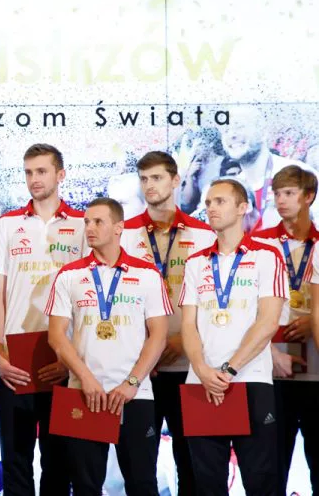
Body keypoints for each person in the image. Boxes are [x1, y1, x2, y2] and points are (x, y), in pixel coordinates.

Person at [46, 197, 170, 496]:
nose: (89, 228)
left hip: (134, 394)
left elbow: (158, 336)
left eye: (98, 222)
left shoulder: (147, 274)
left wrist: (132, 382)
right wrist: (86, 379)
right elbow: (56, 336)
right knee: (85, 486)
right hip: (84, 393)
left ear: (118, 228)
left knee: (142, 483)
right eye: (87, 222)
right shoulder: (69, 275)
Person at [0, 143, 84, 495]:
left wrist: (71, 359)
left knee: (59, 463)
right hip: (16, 358)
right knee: (15, 461)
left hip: (63, 357)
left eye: (42, 171)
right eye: (28, 172)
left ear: (61, 174)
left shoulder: (83, 224)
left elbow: (89, 302)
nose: (34, 179)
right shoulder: (7, 225)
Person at [179, 178, 287, 494]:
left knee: (261, 481)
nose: (211, 208)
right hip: (201, 383)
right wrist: (202, 369)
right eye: (208, 202)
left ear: (242, 207)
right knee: (207, 484)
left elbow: (267, 323)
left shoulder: (267, 255)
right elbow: (188, 325)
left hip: (249, 379)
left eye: (220, 201)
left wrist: (229, 370)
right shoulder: (195, 262)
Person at [121, 151, 216, 495]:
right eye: (144, 179)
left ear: (176, 181)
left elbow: (214, 298)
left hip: (189, 365)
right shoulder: (124, 233)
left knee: (192, 464)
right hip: (140, 369)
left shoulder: (204, 234)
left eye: (157, 178)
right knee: (138, 467)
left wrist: (181, 341)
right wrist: (148, 346)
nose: (149, 185)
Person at [252, 165, 319, 492]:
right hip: (271, 361)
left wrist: (315, 320)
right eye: (277, 194)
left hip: (315, 358)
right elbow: (241, 305)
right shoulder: (258, 243)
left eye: (289, 193)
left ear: (309, 197)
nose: (280, 200)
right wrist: (269, 350)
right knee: (271, 460)